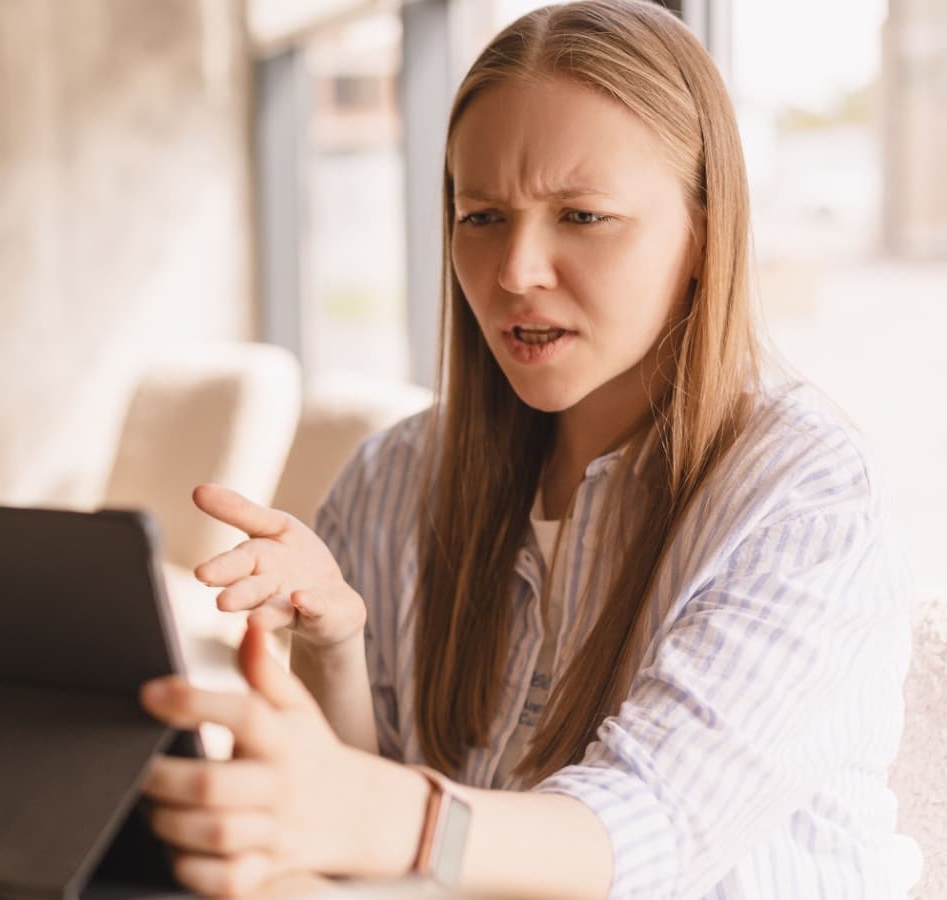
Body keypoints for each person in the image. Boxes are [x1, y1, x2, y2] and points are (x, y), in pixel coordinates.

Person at [135, 1, 923, 897]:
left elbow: (647, 828)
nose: (515, 271)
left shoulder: (805, 498)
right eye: (482, 217)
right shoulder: (396, 475)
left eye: (582, 216)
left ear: (704, 231)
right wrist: (336, 645)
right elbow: (371, 854)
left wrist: (380, 815)